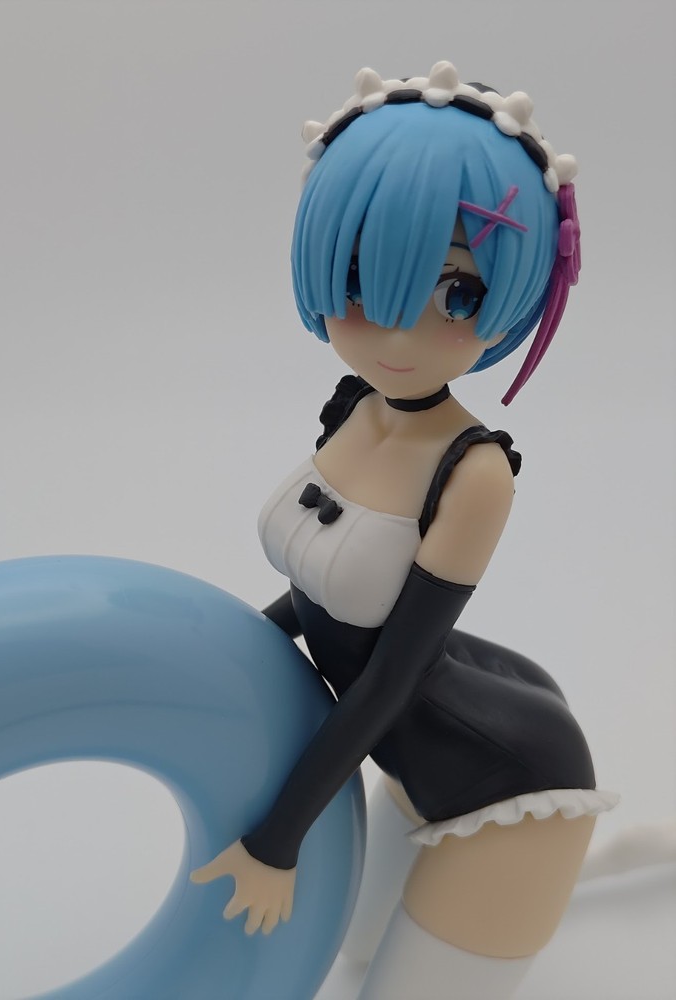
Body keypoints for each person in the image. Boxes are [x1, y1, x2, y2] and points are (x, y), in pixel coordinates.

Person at [192, 62, 617, 999]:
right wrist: (229, 647)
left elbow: (391, 674)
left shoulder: (474, 472)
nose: (398, 333)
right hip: (408, 757)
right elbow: (317, 596)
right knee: (349, 956)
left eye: (458, 293)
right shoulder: (352, 405)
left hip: (507, 785)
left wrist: (277, 841)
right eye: (361, 278)